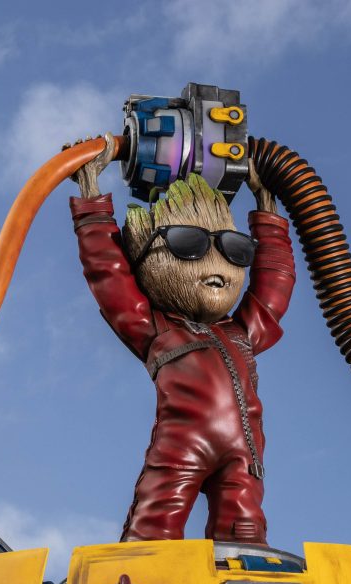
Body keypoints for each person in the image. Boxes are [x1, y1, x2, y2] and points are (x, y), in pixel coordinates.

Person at [69, 138, 295, 544]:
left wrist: (268, 211)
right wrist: (91, 202)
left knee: (244, 532)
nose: (217, 262)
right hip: (180, 449)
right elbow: (109, 276)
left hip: (244, 456)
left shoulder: (241, 332)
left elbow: (274, 285)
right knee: (154, 529)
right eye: (188, 245)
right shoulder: (155, 328)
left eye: (236, 249)